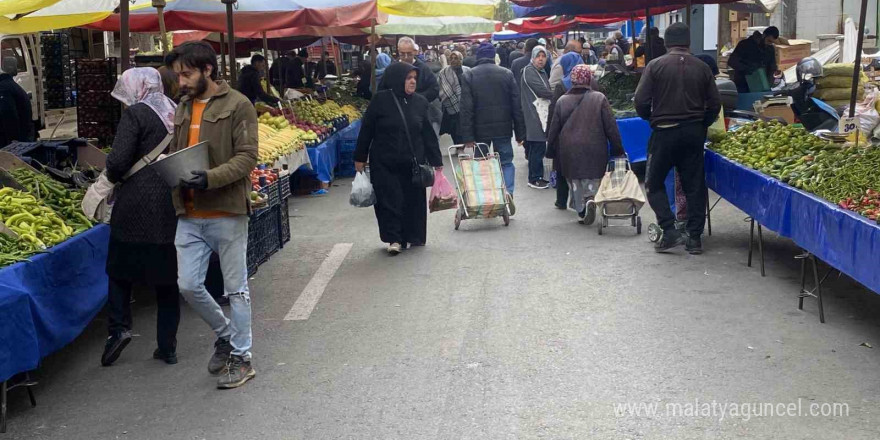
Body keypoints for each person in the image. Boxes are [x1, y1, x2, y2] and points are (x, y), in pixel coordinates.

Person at [166, 41, 259, 388]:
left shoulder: (239, 105)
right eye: (178, 76)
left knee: (235, 290)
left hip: (227, 210)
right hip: (188, 212)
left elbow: (247, 157)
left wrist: (209, 178)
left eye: (187, 74)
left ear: (207, 69)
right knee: (188, 285)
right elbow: (178, 152)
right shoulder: (183, 106)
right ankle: (225, 335)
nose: (182, 82)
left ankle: (242, 357)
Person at [99, 68, 180, 367]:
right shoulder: (176, 110)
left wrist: (109, 174)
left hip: (135, 204)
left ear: (136, 88)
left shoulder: (135, 115)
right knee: (167, 277)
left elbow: (118, 161)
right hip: (170, 203)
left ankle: (118, 330)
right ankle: (167, 345)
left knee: (119, 270)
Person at [634, 23, 721, 254]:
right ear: (688, 43)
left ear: (665, 43)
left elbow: (640, 101)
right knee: (694, 185)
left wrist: (651, 118)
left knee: (653, 182)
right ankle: (694, 238)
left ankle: (669, 229)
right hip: (693, 133)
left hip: (664, 131)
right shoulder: (702, 67)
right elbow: (714, 104)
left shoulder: (655, 66)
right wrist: (702, 123)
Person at [353, 63, 443, 254]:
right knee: (389, 201)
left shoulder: (420, 102)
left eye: (414, 78)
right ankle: (394, 238)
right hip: (385, 162)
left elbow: (427, 134)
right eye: (408, 78)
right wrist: (360, 157)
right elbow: (366, 130)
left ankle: (413, 235)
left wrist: (437, 162)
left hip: (412, 164)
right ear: (397, 79)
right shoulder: (380, 101)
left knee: (412, 201)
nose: (412, 82)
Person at [547, 64, 625, 225]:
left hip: (569, 149)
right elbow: (611, 126)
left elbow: (554, 129)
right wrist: (618, 148)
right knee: (593, 178)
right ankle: (591, 198)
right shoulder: (599, 98)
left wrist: (550, 151)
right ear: (589, 79)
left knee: (575, 180)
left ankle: (581, 210)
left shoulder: (562, 101)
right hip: (595, 147)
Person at [459, 43, 525, 201]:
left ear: (478, 56)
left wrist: (467, 136)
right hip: (503, 128)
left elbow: (466, 108)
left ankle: (485, 197)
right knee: (506, 162)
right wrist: (520, 133)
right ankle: (508, 192)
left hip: (480, 131)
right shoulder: (507, 74)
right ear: (493, 56)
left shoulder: (470, 75)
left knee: (481, 164)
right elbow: (517, 105)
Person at [546, 51, 584, 210]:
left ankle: (561, 200)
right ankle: (582, 200)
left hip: (565, 132)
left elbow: (554, 111)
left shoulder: (562, 85)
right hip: (587, 130)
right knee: (583, 168)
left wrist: (550, 134)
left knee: (562, 167)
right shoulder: (592, 82)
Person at [520, 45, 554, 190]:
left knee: (538, 146)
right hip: (534, 113)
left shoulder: (541, 72)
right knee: (537, 145)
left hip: (540, 112)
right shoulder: (529, 71)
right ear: (532, 57)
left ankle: (538, 176)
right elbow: (542, 91)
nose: (541, 59)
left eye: (543, 56)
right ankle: (534, 178)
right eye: (538, 56)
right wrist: (557, 95)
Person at [728, 26, 779, 92]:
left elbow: (772, 67)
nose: (768, 44)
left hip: (761, 85)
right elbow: (732, 61)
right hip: (743, 84)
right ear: (763, 35)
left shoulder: (770, 49)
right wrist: (746, 68)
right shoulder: (745, 44)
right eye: (768, 40)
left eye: (771, 42)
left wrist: (769, 83)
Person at [0, 57, 33, 147]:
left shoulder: (4, 88)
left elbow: (9, 116)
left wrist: (13, 144)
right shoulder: (13, 86)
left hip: (16, 140)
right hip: (23, 136)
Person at [438, 51, 469, 144]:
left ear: (461, 59)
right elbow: (440, 86)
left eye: (456, 58)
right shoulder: (443, 72)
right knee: (454, 128)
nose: (453, 60)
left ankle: (461, 145)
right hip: (450, 104)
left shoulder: (467, 70)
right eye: (451, 58)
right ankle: (457, 145)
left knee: (462, 126)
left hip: (465, 103)